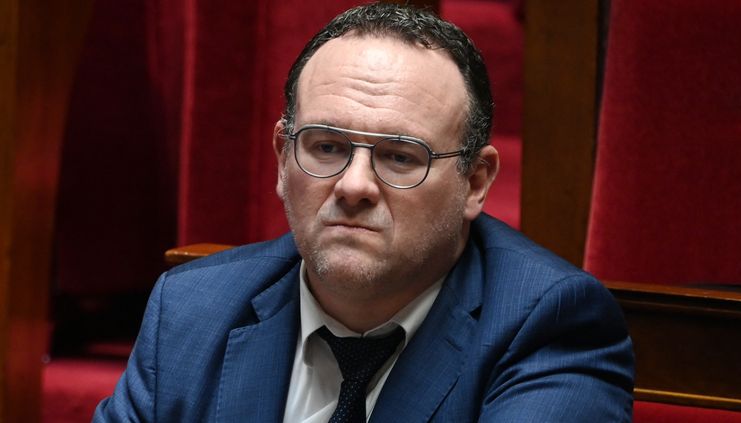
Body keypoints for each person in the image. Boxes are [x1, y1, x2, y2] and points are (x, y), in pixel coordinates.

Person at [94, 3, 634, 422]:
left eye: (400, 157)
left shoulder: (550, 327)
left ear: (475, 182)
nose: (353, 186)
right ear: (284, 158)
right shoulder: (191, 310)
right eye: (326, 147)